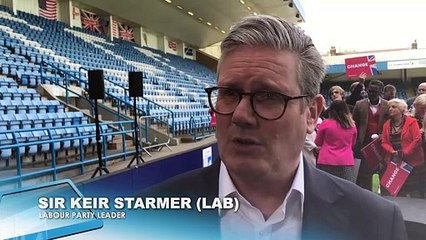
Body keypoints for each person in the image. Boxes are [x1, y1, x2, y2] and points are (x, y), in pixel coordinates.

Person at [141, 15, 406, 240]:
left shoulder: (377, 223)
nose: (240, 115)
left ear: (311, 113)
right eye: (229, 93)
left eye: (268, 97)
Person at [381, 99, 425, 195]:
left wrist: (404, 152)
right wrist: (392, 151)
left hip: (412, 161)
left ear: (401, 109)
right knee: (399, 191)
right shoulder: (386, 124)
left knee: (415, 190)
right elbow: (384, 142)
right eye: (389, 107)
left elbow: (417, 139)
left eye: (394, 107)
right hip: (395, 160)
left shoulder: (412, 122)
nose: (390, 109)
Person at [352, 79, 390, 191]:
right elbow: (354, 124)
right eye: (370, 91)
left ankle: (385, 198)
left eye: (375, 91)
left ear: (381, 92)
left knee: (384, 172)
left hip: (382, 144)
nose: (372, 94)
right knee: (365, 174)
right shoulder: (359, 104)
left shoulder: (388, 105)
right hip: (364, 145)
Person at [315, 100, 357, 182]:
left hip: (326, 160)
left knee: (325, 188)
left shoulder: (325, 123)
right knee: (345, 190)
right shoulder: (352, 126)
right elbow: (353, 143)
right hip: (346, 162)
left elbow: (317, 142)